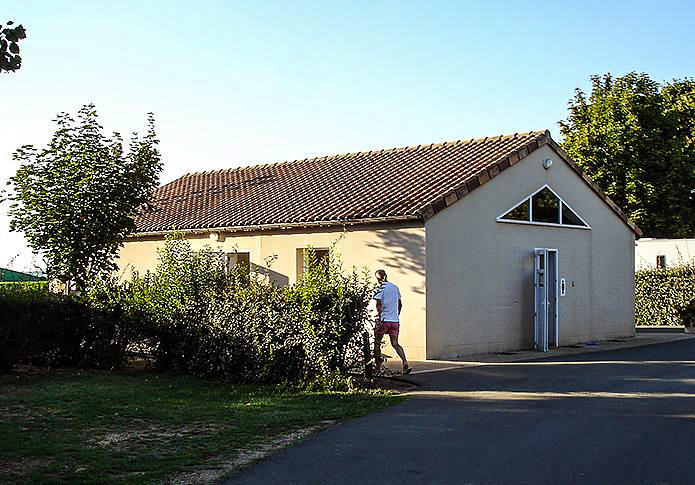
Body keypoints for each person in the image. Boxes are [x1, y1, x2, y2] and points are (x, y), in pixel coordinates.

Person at [373, 269, 411, 374]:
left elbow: (378, 305)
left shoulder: (379, 289)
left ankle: (377, 367)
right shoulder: (395, 287)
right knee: (395, 343)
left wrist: (379, 317)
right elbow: (400, 304)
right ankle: (405, 362)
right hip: (394, 321)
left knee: (377, 342)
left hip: (384, 320)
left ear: (377, 279)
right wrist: (396, 314)